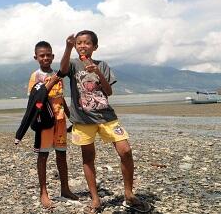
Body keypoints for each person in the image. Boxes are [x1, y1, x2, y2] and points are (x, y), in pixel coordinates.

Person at [58, 31, 151, 214]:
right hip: (83, 120)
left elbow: (108, 92)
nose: (82, 46)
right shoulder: (73, 64)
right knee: (88, 158)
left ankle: (129, 194)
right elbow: (61, 70)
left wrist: (97, 71)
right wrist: (67, 48)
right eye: (79, 43)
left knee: (126, 150)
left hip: (107, 117)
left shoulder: (103, 65)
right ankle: (95, 199)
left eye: (86, 43)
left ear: (95, 47)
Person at [15, 41, 78, 208]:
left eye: (48, 55)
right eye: (42, 55)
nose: (45, 58)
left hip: (60, 120)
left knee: (61, 154)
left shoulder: (59, 74)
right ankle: (43, 192)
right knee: (43, 156)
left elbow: (61, 97)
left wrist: (70, 115)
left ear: (53, 56)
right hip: (45, 121)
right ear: (36, 57)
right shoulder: (35, 76)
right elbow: (34, 99)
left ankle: (65, 188)